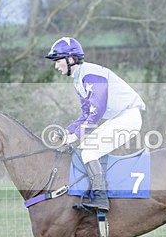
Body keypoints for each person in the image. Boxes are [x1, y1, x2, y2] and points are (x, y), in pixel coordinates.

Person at [45, 37, 145, 211]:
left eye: (58, 61)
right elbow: (86, 113)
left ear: (71, 59)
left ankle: (101, 198)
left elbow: (97, 110)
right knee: (85, 149)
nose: (56, 66)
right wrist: (68, 133)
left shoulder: (90, 74)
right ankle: (95, 192)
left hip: (128, 117)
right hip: (120, 117)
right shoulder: (79, 78)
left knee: (90, 151)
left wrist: (75, 136)